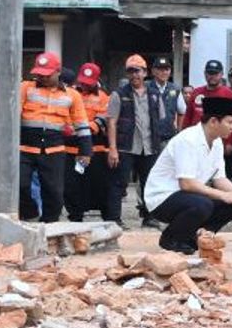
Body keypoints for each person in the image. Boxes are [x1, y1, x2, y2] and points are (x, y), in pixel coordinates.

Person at [144, 95, 232, 254]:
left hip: (188, 196)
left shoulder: (217, 142)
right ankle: (171, 238)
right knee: (203, 204)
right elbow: (186, 183)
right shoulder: (188, 139)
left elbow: (219, 178)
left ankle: (198, 236)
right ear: (214, 121)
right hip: (163, 197)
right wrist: (223, 195)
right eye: (230, 122)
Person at [18, 52, 91, 222]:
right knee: (20, 185)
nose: (41, 77)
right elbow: (14, 115)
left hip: (54, 149)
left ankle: (49, 225)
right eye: (39, 74)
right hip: (25, 148)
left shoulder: (72, 95)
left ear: (58, 72)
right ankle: (30, 213)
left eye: (46, 74)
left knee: (55, 192)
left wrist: (85, 151)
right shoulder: (26, 88)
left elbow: (82, 125)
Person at [107, 55, 165, 228]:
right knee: (119, 183)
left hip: (149, 147)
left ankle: (149, 217)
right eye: (131, 71)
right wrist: (112, 149)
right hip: (126, 146)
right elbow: (111, 122)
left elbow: (161, 118)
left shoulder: (155, 95)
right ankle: (114, 219)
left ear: (145, 72)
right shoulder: (119, 94)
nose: (134, 75)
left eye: (137, 71)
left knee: (150, 183)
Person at [65, 63, 113, 223]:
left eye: (88, 81)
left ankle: (106, 216)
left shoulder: (104, 97)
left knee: (99, 184)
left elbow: (104, 118)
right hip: (72, 148)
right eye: (82, 81)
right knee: (73, 185)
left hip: (96, 149)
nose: (84, 84)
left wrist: (87, 127)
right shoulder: (70, 94)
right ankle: (75, 217)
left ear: (96, 80)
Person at [147, 57, 185, 143]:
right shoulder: (146, 88)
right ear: (153, 71)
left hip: (169, 137)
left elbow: (182, 112)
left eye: (166, 69)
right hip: (149, 138)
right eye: (160, 69)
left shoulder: (175, 89)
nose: (164, 72)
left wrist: (178, 131)